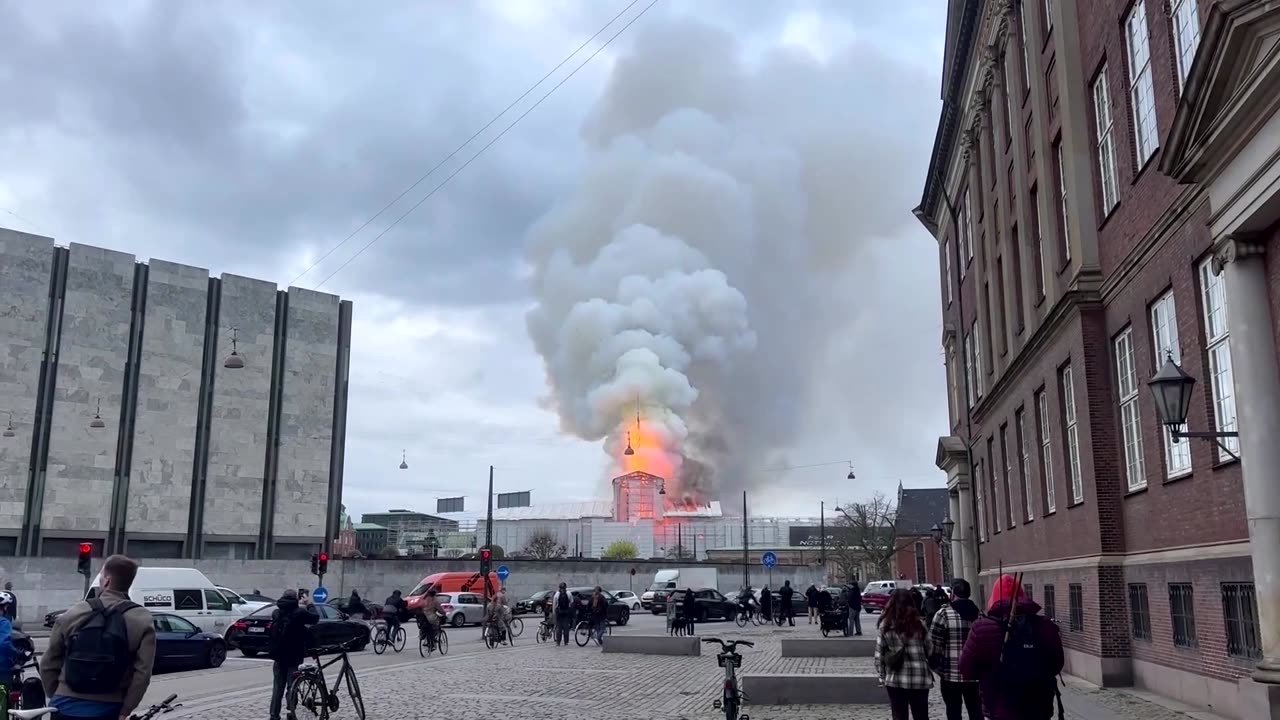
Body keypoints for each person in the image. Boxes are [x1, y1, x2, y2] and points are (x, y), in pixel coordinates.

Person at [40, 554, 157, 720]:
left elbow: (49, 661)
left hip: (65, 704)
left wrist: (58, 693)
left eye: (101, 575)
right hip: (109, 707)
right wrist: (126, 709)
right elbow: (143, 673)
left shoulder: (75, 612)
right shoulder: (141, 619)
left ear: (107, 581)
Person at [959, 575, 1064, 720]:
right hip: (1038, 707)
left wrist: (989, 674)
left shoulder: (981, 627)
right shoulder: (1045, 626)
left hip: (999, 708)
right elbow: (1057, 664)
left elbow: (966, 669)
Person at [874, 588, 933, 720]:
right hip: (920, 677)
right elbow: (929, 649)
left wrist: (882, 676)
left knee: (899, 715)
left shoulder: (886, 625)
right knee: (921, 715)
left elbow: (879, 655)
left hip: (895, 678)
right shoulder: (919, 624)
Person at [929, 578, 982, 720]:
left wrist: (938, 667)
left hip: (950, 673)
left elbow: (934, 644)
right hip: (974, 674)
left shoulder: (944, 614)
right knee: (976, 711)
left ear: (952, 593)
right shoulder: (980, 615)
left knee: (953, 712)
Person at [266, 589, 320, 720]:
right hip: (294, 656)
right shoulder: (299, 613)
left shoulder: (276, 613)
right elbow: (315, 618)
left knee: (277, 688)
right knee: (292, 686)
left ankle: (274, 715)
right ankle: (291, 711)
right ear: (296, 599)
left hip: (278, 655)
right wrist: (309, 604)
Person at [551, 583, 574, 647]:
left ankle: (558, 642)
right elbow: (572, 603)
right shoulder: (569, 593)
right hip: (566, 612)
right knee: (566, 628)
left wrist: (554, 614)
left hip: (559, 612)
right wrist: (571, 612)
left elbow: (554, 605)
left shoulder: (556, 594)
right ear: (565, 587)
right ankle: (566, 642)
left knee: (559, 628)